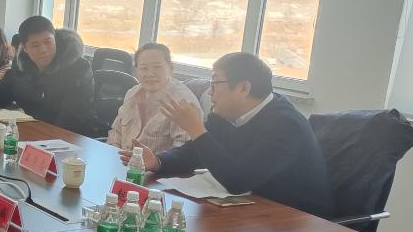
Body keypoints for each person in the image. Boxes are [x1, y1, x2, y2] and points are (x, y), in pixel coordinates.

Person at [119, 52, 333, 218]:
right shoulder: (227, 113)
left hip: (297, 221)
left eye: (215, 84)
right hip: (253, 210)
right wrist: (159, 161)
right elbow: (195, 152)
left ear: (243, 88)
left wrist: (196, 129)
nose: (209, 91)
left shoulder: (286, 125)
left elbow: (238, 181)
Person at [0, 16, 94, 134]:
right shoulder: (22, 63)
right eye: (35, 45)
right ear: (25, 48)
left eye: (48, 42)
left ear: (55, 40)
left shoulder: (78, 68)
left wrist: (46, 137)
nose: (43, 50)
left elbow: (72, 117)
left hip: (70, 136)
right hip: (33, 130)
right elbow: (6, 86)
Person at [107, 43, 202, 153]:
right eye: (144, 68)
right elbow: (116, 131)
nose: (150, 74)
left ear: (170, 68)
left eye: (157, 67)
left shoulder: (183, 104)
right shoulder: (132, 93)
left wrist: (153, 162)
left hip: (158, 164)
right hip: (120, 159)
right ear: (136, 71)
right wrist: (113, 154)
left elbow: (183, 152)